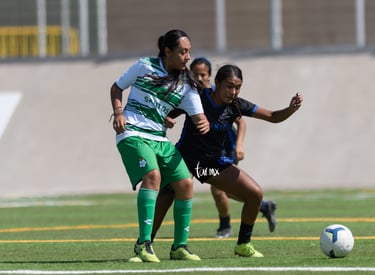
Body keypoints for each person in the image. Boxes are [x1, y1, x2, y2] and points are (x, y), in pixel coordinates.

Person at [153, 64, 303, 258]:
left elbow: (273, 117)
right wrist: (166, 118)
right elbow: (166, 112)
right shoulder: (197, 96)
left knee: (255, 194)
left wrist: (291, 109)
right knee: (168, 192)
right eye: (229, 86)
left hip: (212, 165)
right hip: (185, 159)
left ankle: (243, 244)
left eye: (237, 87)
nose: (233, 91)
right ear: (217, 83)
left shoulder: (236, 105)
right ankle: (146, 244)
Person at [110, 29, 210, 263]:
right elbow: (116, 87)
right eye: (183, 52)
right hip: (132, 133)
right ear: (167, 51)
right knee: (152, 176)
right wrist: (118, 112)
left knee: (185, 183)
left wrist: (203, 122)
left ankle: (179, 247)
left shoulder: (187, 85)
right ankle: (143, 245)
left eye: (189, 52)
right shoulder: (144, 66)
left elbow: (199, 116)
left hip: (159, 138)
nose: (188, 57)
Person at [190, 57, 277, 238]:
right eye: (196, 74)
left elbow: (242, 122)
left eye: (203, 74)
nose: (199, 78)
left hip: (226, 149)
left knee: (218, 189)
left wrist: (239, 145)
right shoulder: (195, 97)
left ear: (210, 76)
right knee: (223, 189)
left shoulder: (224, 95)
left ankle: (226, 227)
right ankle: (263, 206)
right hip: (204, 152)